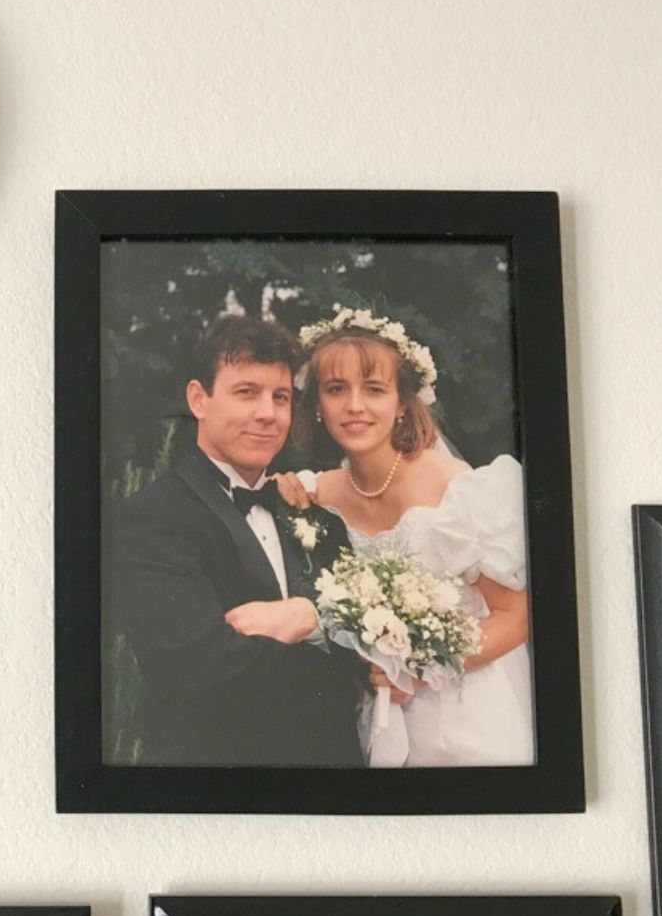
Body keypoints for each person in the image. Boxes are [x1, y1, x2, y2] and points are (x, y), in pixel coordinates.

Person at [104, 312, 365, 767]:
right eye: (247, 392)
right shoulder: (150, 519)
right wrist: (331, 651)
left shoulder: (318, 520)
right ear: (198, 399)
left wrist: (309, 619)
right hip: (214, 790)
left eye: (280, 397)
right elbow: (202, 667)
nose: (267, 413)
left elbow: (365, 663)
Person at [290, 306, 533, 767]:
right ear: (317, 405)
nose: (355, 406)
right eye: (336, 389)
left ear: (402, 402)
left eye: (374, 389)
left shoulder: (460, 488)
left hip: (468, 714)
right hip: (377, 722)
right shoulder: (313, 494)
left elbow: (513, 618)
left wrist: (419, 670)